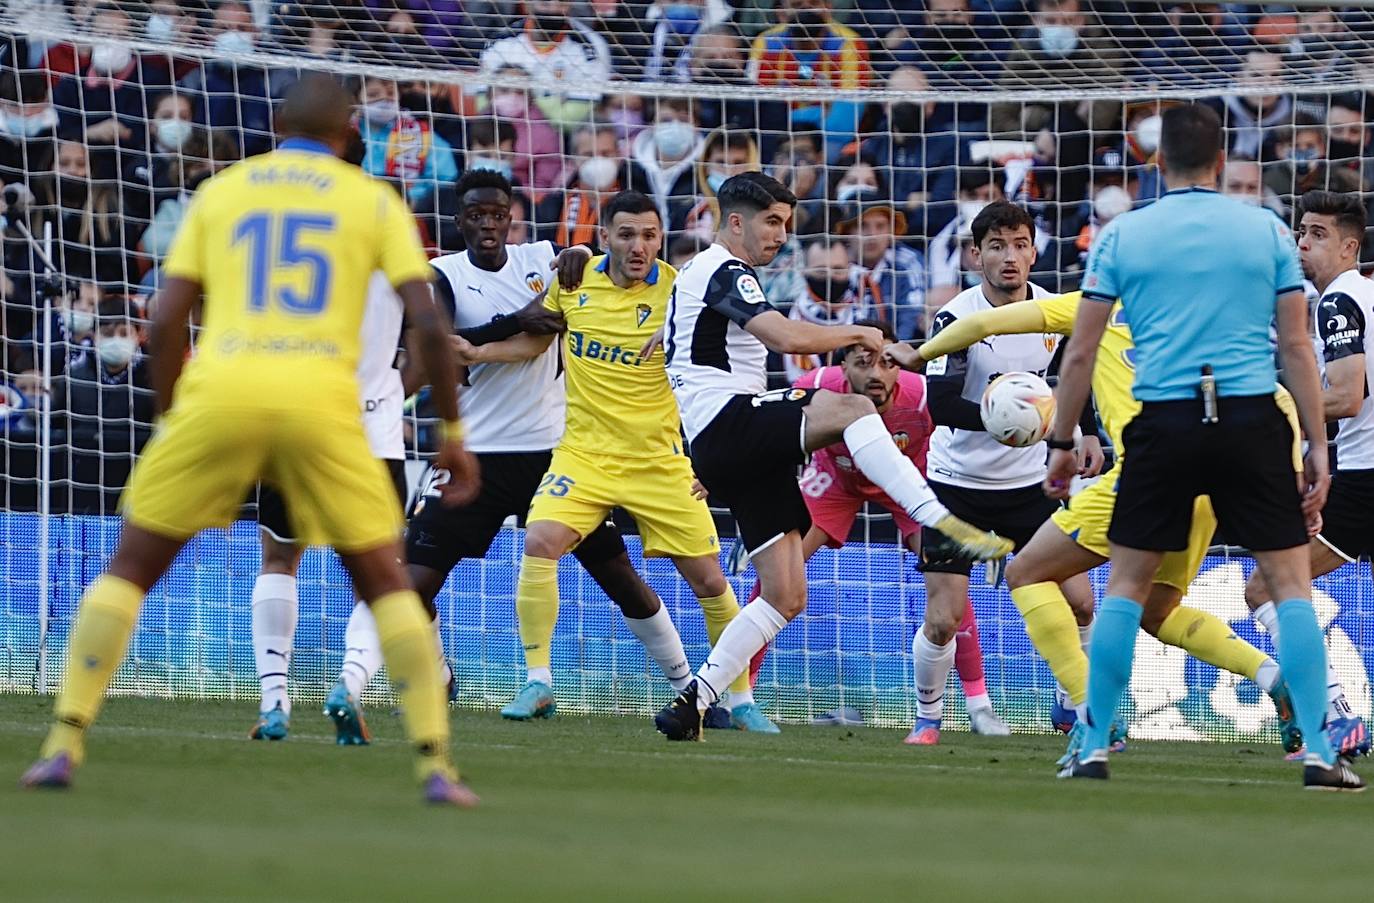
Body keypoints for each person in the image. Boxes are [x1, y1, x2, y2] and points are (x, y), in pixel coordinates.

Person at [19, 75, 482, 806]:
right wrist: (452, 433)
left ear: (277, 126)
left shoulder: (225, 190)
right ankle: (434, 765)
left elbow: (167, 319)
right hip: (324, 404)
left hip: (223, 391)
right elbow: (427, 323)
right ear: (347, 133)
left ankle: (63, 741)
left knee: (132, 566)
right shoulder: (374, 202)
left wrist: (173, 416)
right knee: (384, 578)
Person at [1046, 103, 1360, 790]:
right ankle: (1319, 750)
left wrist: (1062, 440)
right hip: (1250, 416)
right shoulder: (1265, 231)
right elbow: (1299, 348)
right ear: (1222, 162)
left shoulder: (1124, 235)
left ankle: (1093, 744)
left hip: (1164, 418)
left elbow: (1083, 351)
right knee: (1289, 583)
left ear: (1158, 163)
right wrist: (1315, 445)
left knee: (1126, 586)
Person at [651, 172, 1011, 741]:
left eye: (787, 225)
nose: (779, 236)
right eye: (771, 222)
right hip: (730, 420)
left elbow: (678, 339)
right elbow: (785, 338)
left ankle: (693, 701)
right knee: (852, 410)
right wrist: (859, 331)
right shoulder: (724, 267)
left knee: (786, 594)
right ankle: (937, 518)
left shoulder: (697, 279)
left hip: (728, 445)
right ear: (736, 222)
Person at [896, 290, 1305, 757]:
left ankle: (1093, 711)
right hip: (1212, 484)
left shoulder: (1095, 303)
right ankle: (1274, 677)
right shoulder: (1198, 312)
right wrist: (1293, 473)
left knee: (1025, 573)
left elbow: (985, 324)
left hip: (1147, 475)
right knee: (1158, 612)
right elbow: (1276, 395)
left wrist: (919, 352)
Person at [393, 171, 723, 727]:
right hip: (476, 453)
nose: (488, 225)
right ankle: (438, 672)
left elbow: (593, 272)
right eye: (476, 215)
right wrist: (510, 323)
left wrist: (575, 251)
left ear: (513, 217)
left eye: (498, 214)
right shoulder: (442, 275)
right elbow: (449, 348)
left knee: (618, 576)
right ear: (459, 221)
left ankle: (688, 683)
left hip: (555, 448)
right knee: (413, 582)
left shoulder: (547, 259)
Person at [452, 189, 777, 731]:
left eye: (650, 235)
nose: (639, 246)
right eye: (626, 234)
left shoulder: (681, 289)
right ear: (603, 237)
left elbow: (727, 358)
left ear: (661, 240)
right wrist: (479, 352)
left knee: (709, 583)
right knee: (540, 541)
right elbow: (538, 343)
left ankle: (739, 699)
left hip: (660, 461)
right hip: (584, 455)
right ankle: (538, 680)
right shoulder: (574, 282)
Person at [748, 318, 1011, 736]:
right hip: (835, 476)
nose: (876, 373)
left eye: (887, 362)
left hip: (909, 479)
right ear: (843, 367)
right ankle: (739, 694)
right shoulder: (817, 383)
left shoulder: (923, 394)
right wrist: (758, 505)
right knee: (778, 571)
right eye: (863, 362)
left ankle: (979, 706)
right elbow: (764, 429)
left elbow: (969, 436)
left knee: (947, 578)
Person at [902, 200, 1102, 746]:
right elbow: (939, 404)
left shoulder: (1056, 311)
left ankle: (1073, 706)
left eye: (1019, 245)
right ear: (975, 255)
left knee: (1082, 601)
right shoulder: (957, 319)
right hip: (955, 487)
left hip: (1031, 488)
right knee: (943, 619)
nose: (1009, 257)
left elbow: (1072, 372)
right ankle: (928, 718)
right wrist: (1007, 422)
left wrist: (1082, 428)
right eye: (996, 246)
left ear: (1035, 252)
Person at [1243, 190, 1373, 760]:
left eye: (1318, 235)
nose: (1303, 245)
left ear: (1350, 246)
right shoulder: (1365, 294)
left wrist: (1273, 405)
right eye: (1301, 232)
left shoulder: (1338, 301)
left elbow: (1345, 395)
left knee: (1267, 586)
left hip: (1367, 480)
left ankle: (1336, 712)